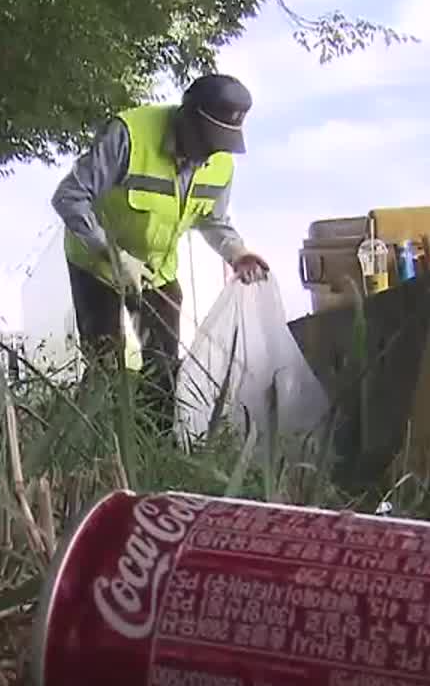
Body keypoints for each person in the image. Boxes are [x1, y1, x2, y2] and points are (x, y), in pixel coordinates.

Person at [52, 74, 271, 432]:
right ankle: (92, 447)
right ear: (187, 117)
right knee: (105, 365)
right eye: (207, 140)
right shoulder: (129, 134)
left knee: (164, 367)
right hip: (95, 263)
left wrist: (237, 252)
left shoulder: (220, 162)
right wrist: (113, 255)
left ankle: (155, 451)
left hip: (157, 270)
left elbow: (213, 220)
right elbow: (69, 197)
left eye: (220, 144)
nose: (209, 153)